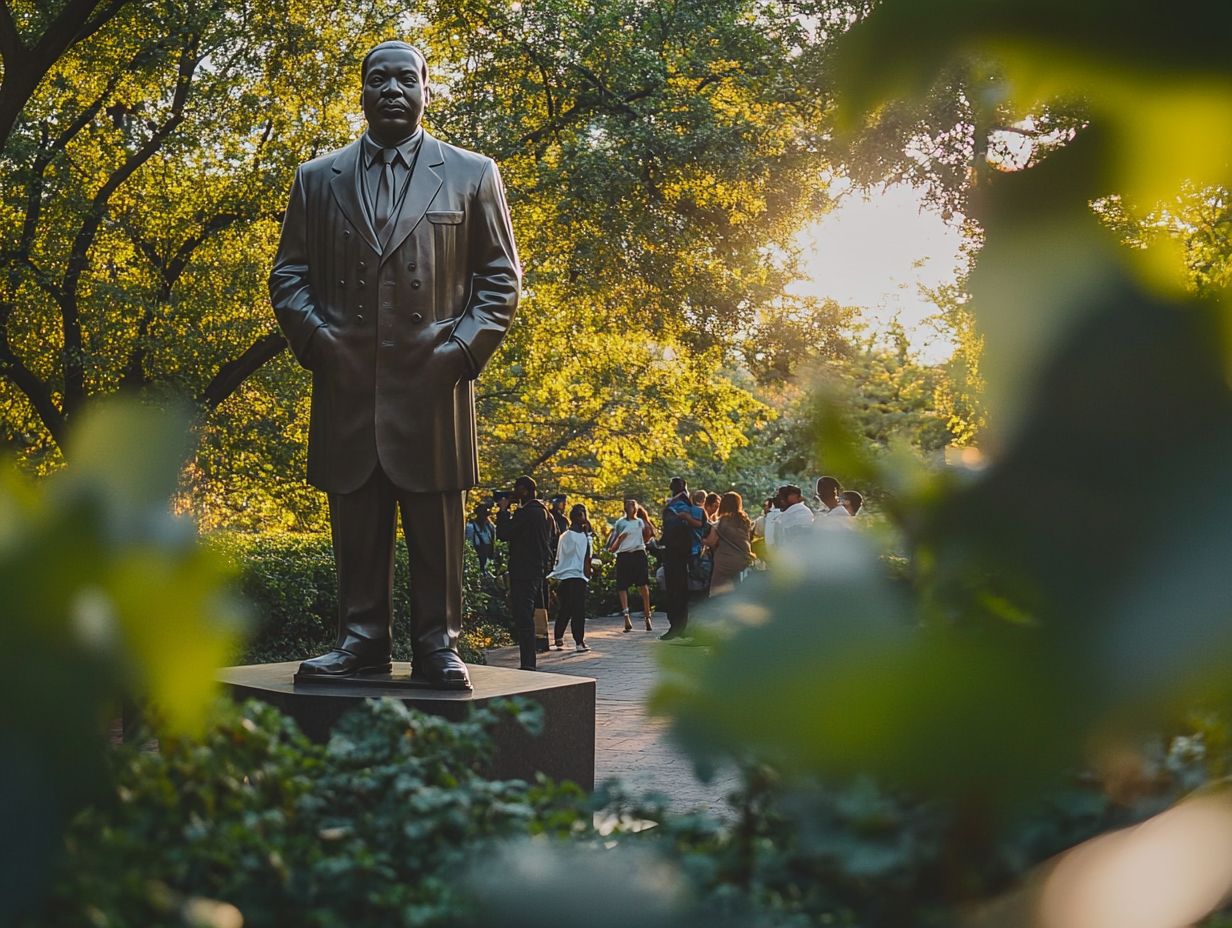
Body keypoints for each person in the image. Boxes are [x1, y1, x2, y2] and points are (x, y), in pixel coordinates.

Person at [270, 40, 519, 689]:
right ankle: (361, 641)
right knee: (356, 517)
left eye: (404, 79)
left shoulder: (472, 174)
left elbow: (500, 279)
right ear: (360, 91)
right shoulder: (316, 179)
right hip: (347, 382)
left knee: (437, 524)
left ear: (427, 89)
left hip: (433, 386)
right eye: (377, 78)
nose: (391, 89)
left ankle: (439, 645)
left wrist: (461, 352)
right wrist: (319, 341)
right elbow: (288, 274)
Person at [495, 475, 557, 669]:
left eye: (516, 489)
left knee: (524, 618)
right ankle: (530, 661)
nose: (514, 493)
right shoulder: (546, 514)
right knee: (533, 615)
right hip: (538, 571)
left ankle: (528, 664)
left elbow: (504, 533)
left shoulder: (527, 513)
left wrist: (503, 512)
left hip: (523, 571)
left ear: (524, 490)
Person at [660, 477, 705, 640]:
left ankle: (677, 626)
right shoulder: (684, 504)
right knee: (678, 592)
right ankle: (679, 626)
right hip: (681, 553)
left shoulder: (677, 505)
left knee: (676, 592)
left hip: (677, 554)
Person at [549, 503, 593, 651]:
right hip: (573, 575)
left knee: (570, 608)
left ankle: (564, 637)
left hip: (573, 575)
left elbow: (586, 556)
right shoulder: (574, 537)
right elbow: (585, 556)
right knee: (574, 609)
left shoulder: (576, 536)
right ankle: (576, 641)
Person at [607, 498, 653, 632]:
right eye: (628, 506)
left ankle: (647, 616)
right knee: (622, 586)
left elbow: (649, 534)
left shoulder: (640, 522)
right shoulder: (620, 523)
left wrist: (641, 543)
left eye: (633, 506)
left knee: (643, 585)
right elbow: (614, 539)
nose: (630, 508)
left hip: (638, 554)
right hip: (624, 555)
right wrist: (616, 545)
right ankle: (626, 616)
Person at [702, 492, 754, 595]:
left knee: (718, 589)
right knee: (736, 585)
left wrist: (700, 539)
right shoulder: (745, 521)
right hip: (741, 559)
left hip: (724, 562)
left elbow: (711, 541)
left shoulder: (721, 523)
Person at [465, 503, 496, 574]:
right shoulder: (471, 527)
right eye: (482, 515)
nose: (484, 517)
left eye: (485, 515)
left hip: (488, 559)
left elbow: (493, 544)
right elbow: (469, 545)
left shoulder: (490, 527)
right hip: (476, 559)